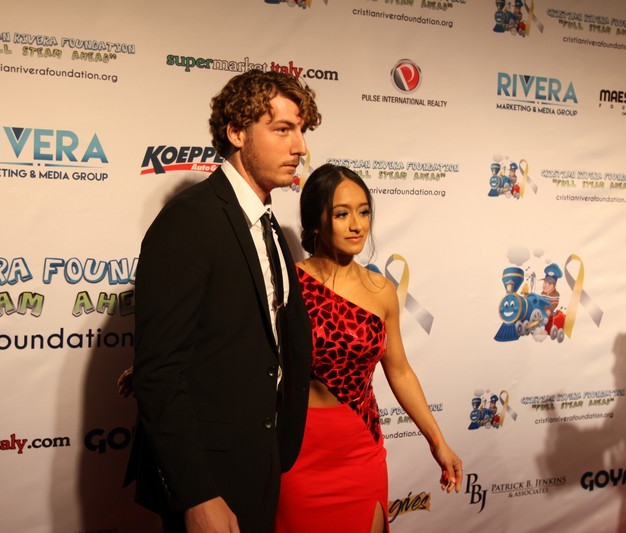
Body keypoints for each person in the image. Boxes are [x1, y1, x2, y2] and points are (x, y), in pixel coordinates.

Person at [124, 69, 320, 532]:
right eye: (282, 129)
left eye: (301, 131)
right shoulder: (190, 221)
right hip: (208, 475)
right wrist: (196, 494)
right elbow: (158, 373)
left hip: (261, 459)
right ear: (236, 132)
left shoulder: (269, 226)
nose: (300, 147)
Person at [274, 164, 463, 532]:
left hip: (361, 450)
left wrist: (437, 441)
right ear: (316, 222)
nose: (357, 225)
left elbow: (400, 371)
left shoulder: (382, 291)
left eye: (363, 212)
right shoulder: (289, 285)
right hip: (298, 453)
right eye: (342, 214)